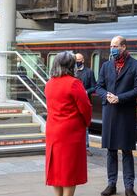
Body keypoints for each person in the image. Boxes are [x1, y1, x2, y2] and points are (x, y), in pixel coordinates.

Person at [96, 36, 137, 196]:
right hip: (109, 112)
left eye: (115, 46)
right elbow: (99, 87)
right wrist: (106, 95)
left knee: (127, 150)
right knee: (110, 150)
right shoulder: (106, 66)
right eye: (111, 46)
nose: (112, 49)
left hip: (126, 113)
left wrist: (120, 98)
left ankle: (129, 187)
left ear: (123, 47)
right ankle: (111, 184)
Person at [45, 51, 92, 196]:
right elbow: (85, 107)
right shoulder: (74, 83)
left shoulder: (49, 83)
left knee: (56, 170)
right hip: (70, 133)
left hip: (53, 130)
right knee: (69, 171)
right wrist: (86, 123)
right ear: (71, 66)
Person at [75, 53, 96, 156]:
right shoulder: (71, 72)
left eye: (78, 60)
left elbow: (94, 87)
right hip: (73, 103)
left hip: (86, 102)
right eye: (75, 60)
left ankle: (86, 147)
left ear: (82, 60)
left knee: (85, 125)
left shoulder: (89, 72)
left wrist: (86, 92)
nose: (76, 62)